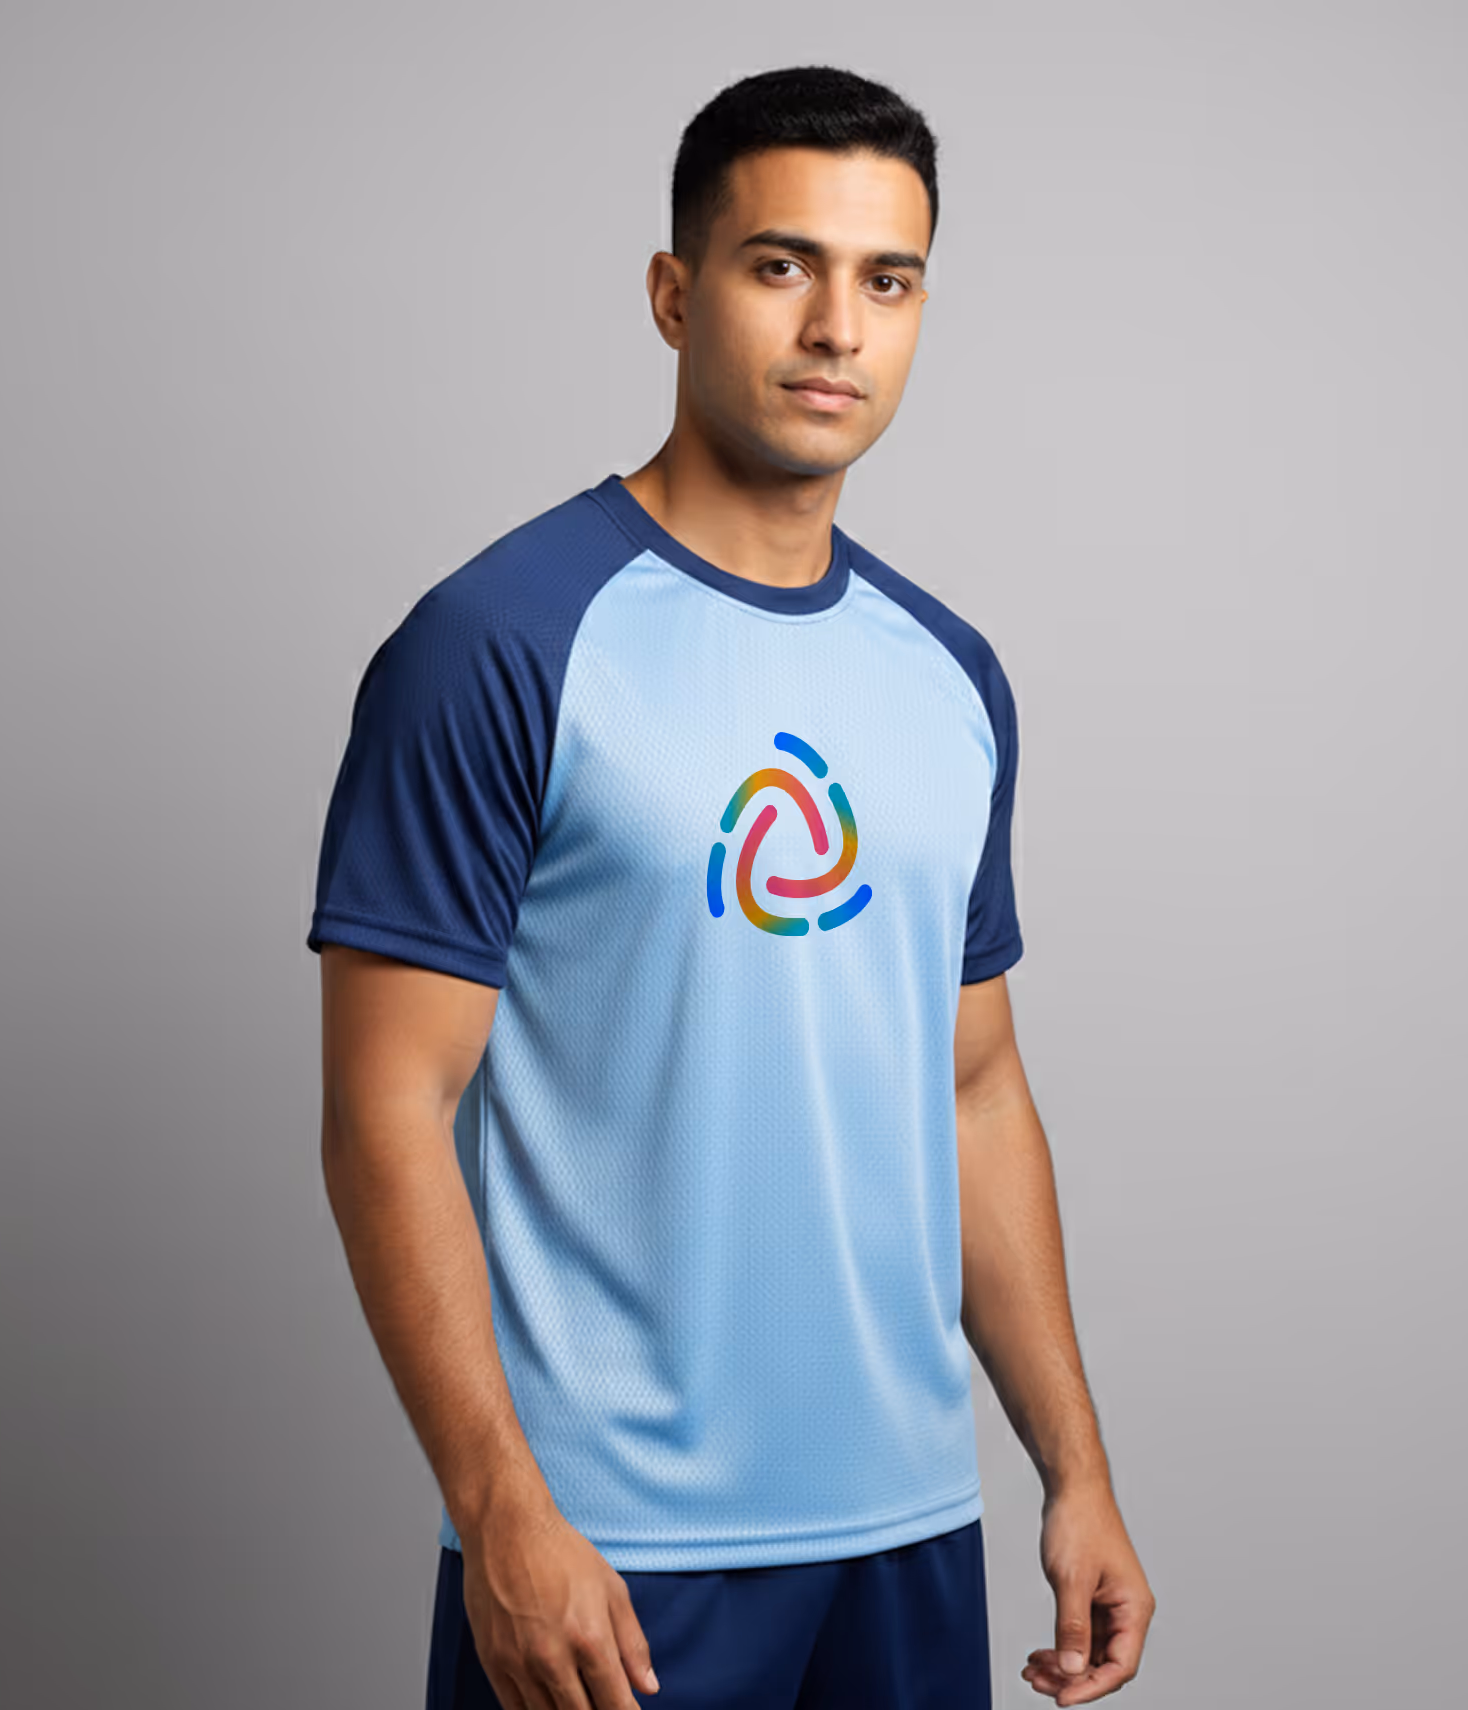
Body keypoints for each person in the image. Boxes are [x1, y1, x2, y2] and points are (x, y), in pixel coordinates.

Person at [307, 63, 1154, 1710]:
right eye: (783, 266)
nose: (837, 327)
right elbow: (384, 1108)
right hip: (606, 1550)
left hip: (905, 1532)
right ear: (674, 293)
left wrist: (1076, 1467)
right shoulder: (499, 642)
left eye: (886, 280)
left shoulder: (949, 674)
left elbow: (974, 1090)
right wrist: (501, 1507)